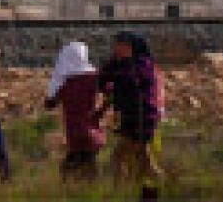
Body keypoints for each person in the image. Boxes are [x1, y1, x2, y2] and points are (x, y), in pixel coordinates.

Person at [98, 32, 163, 201]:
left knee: (118, 158)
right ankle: (159, 188)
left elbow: (130, 84)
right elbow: (102, 79)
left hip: (141, 118)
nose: (115, 48)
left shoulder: (142, 64)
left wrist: (117, 74)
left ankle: (118, 193)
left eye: (119, 45)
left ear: (129, 47)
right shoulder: (120, 64)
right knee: (143, 161)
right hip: (130, 117)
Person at [44, 40, 104, 180]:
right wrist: (100, 111)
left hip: (75, 133)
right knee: (87, 167)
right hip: (91, 130)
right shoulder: (94, 78)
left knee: (71, 170)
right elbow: (109, 91)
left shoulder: (66, 83)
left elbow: (49, 104)